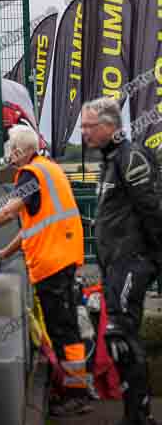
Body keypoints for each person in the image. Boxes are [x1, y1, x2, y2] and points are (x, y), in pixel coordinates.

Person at [0, 125, 91, 417]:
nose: (8, 154)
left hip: (53, 263)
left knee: (63, 329)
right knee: (62, 326)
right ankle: (72, 388)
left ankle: (77, 394)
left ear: (22, 151)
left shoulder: (31, 175)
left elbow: (8, 212)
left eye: (11, 149)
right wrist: (4, 252)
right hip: (59, 259)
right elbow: (31, 227)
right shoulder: (46, 169)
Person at [81, 97, 162, 425]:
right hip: (114, 264)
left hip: (133, 261)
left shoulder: (131, 156)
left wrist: (155, 257)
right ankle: (135, 413)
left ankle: (139, 415)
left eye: (89, 126)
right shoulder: (109, 159)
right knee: (118, 336)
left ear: (109, 126)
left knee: (120, 333)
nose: (84, 133)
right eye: (83, 126)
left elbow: (153, 209)